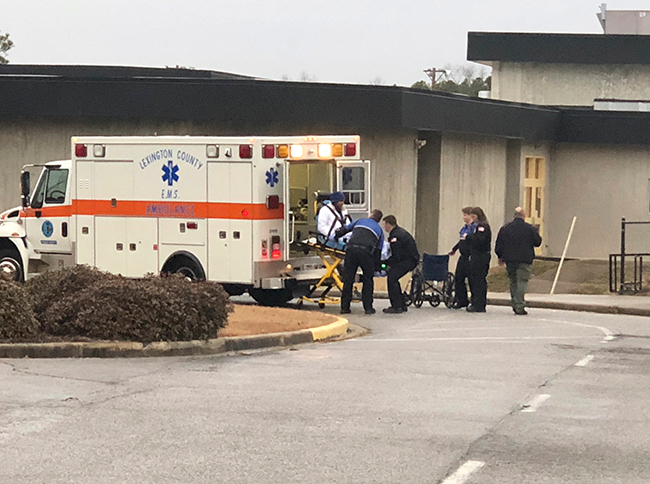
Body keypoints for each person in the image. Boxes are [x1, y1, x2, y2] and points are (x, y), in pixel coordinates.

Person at [495, 207, 543, 315]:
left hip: (510, 259)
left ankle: (514, 303)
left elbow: (499, 244)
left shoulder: (505, 228)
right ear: (523, 216)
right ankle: (520, 305)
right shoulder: (530, 228)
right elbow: (537, 242)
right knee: (522, 281)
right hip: (524, 259)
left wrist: (500, 256)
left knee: (513, 281)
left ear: (514, 216)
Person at [335, 209, 384, 315]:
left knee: (348, 279)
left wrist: (336, 235)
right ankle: (368, 308)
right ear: (379, 220)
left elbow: (345, 229)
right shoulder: (379, 231)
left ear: (371, 215)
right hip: (366, 253)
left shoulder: (360, 221)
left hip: (351, 250)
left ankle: (345, 307)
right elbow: (378, 251)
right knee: (368, 280)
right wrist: (376, 267)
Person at [382, 215, 419, 314]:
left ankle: (396, 306)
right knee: (394, 277)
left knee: (392, 278)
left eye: (384, 225)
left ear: (388, 224)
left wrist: (386, 263)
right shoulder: (399, 232)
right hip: (410, 259)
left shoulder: (395, 236)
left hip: (407, 260)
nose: (384, 227)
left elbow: (397, 254)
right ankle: (401, 304)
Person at [448, 206, 476, 309]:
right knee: (458, 278)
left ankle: (474, 300)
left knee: (471, 279)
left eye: (465, 215)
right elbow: (461, 240)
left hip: (470, 256)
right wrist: (454, 249)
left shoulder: (474, 227)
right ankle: (462, 299)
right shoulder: (464, 227)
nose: (464, 217)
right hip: (463, 255)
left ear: (471, 216)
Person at [465, 206, 491, 313]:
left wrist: (468, 237)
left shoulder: (482, 226)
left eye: (473, 217)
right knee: (476, 279)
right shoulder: (480, 226)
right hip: (479, 255)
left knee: (478, 280)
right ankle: (477, 302)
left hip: (480, 256)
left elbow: (480, 240)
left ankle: (478, 303)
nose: (473, 219)